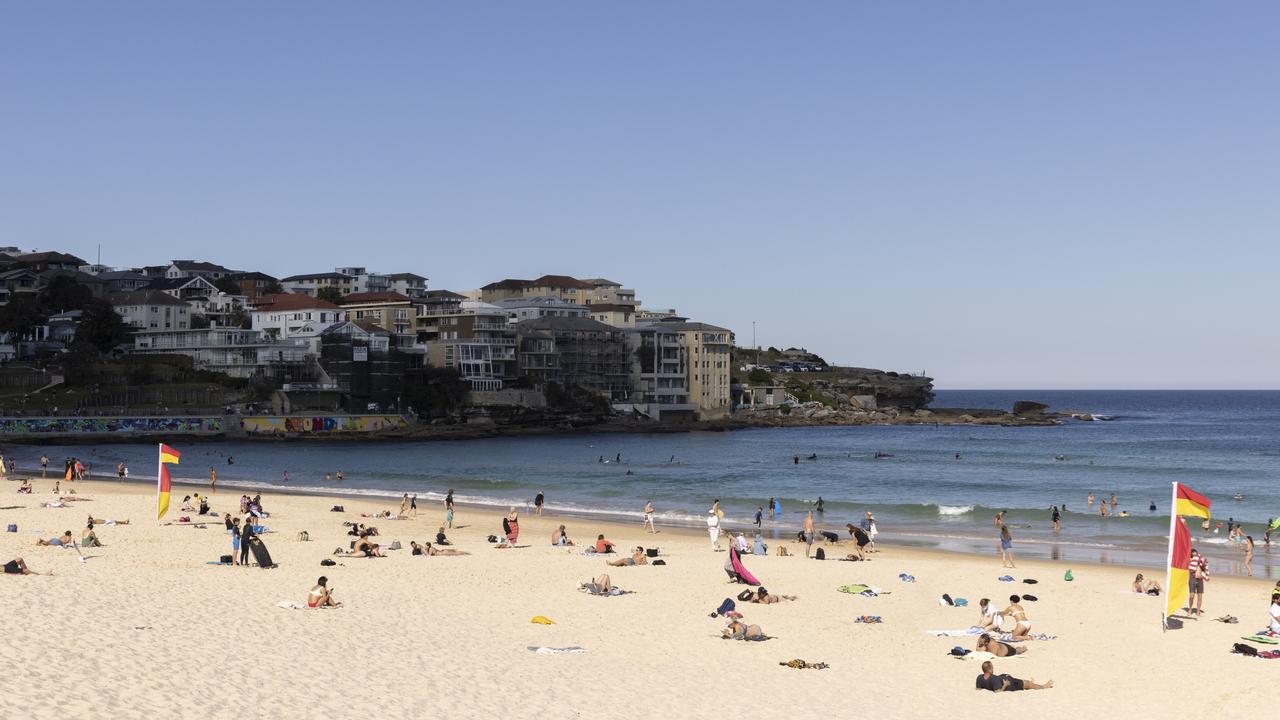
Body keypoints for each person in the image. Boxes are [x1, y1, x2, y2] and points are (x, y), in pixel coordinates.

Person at [974, 661, 1052, 692]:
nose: (993, 669)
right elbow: (998, 692)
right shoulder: (994, 679)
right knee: (1027, 683)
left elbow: (978, 689)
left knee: (1025, 682)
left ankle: (1031, 684)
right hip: (1010, 685)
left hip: (1004, 678)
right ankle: (1043, 686)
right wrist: (1005, 685)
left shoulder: (979, 677)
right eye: (992, 667)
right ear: (990, 669)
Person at [1188, 548, 1209, 616]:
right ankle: (1190, 609)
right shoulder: (1190, 561)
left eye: (1195, 553)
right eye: (1193, 553)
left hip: (1200, 579)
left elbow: (1205, 564)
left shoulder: (1200, 561)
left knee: (1200, 596)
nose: (1195, 554)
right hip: (1192, 578)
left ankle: (1198, 610)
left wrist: (1201, 560)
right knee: (1191, 595)